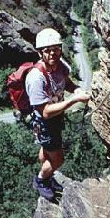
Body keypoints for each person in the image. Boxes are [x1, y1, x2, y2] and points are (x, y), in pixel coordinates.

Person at [25, 28, 90, 200]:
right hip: (45, 123)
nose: (52, 53)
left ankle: (48, 173)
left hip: (55, 118)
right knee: (58, 160)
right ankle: (41, 180)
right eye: (47, 50)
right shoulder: (36, 78)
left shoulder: (61, 66)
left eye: (56, 48)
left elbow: (66, 82)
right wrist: (74, 100)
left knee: (47, 152)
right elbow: (45, 112)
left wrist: (76, 89)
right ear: (40, 53)